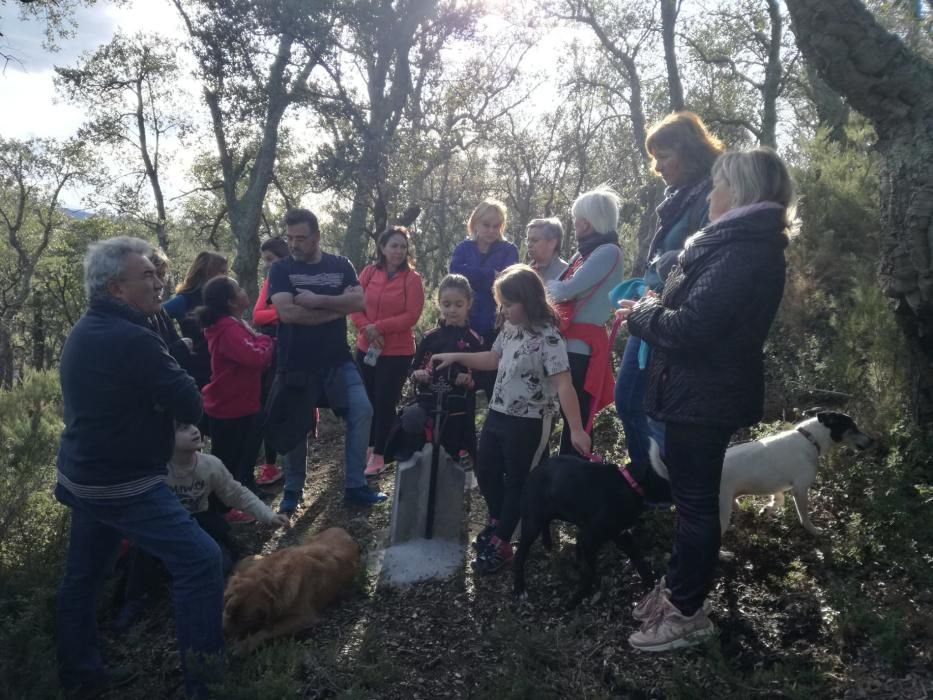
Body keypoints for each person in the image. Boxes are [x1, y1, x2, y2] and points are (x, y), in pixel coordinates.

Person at [618, 148, 793, 651]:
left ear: (737, 191)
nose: (710, 194)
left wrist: (642, 313)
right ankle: (677, 591)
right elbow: (692, 312)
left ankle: (686, 613)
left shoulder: (744, 249)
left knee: (695, 508)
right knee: (690, 505)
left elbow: (692, 327)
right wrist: (652, 307)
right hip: (695, 391)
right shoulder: (734, 242)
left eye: (717, 185)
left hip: (704, 395)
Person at [54, 237, 222, 699]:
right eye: (145, 275)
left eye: (156, 272)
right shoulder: (135, 337)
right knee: (202, 561)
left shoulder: (88, 327)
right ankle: (204, 685)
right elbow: (192, 402)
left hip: (80, 474)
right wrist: (171, 350)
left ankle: (81, 676)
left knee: (83, 578)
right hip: (121, 482)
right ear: (115, 288)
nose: (158, 280)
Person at [433, 264, 592, 574]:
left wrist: (576, 429)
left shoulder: (549, 337)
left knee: (519, 480)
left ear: (529, 300)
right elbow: (493, 359)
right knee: (487, 472)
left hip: (530, 422)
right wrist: (456, 357)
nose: (503, 311)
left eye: (508, 304)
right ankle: (499, 521)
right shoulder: (509, 329)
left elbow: (563, 384)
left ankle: (503, 542)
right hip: (498, 413)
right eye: (500, 304)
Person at [615, 112, 724, 472]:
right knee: (630, 397)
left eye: (663, 156)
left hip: (676, 315)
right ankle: (648, 484)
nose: (657, 167)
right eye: (654, 158)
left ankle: (664, 488)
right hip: (652, 307)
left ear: (690, 152)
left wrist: (671, 260)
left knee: (650, 402)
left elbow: (714, 251)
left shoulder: (712, 194)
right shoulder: (676, 197)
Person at [265, 208, 387, 513]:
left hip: (337, 360)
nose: (294, 244)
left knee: (362, 410)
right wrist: (337, 308)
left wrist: (318, 301)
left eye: (301, 238)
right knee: (295, 423)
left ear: (317, 236)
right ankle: (293, 490)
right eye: (290, 238)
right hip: (295, 362)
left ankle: (355, 486)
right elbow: (288, 313)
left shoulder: (340, 265)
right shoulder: (280, 270)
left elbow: (359, 302)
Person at [116, 422, 289, 631]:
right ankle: (134, 602)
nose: (194, 430)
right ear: (165, 438)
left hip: (200, 520)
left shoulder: (210, 465)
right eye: (183, 429)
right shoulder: (157, 469)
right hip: (165, 524)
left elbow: (236, 492)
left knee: (222, 561)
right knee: (140, 554)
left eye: (193, 426)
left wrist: (268, 515)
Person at [546, 185, 624, 455]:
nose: (575, 222)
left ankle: (571, 475)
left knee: (576, 419)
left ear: (589, 221)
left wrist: (544, 288)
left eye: (579, 217)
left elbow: (564, 288)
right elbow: (558, 285)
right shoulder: (584, 253)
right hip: (565, 341)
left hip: (582, 348)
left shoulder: (608, 252)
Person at [198, 275, 276, 522]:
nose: (244, 291)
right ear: (232, 302)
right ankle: (219, 511)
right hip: (230, 406)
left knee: (237, 457)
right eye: (239, 288)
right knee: (226, 462)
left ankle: (228, 504)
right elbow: (255, 358)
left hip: (239, 403)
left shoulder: (233, 323)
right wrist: (267, 340)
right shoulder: (228, 328)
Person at [350, 226, 425, 476]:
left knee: (385, 402)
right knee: (367, 401)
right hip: (366, 348)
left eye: (403, 247)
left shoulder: (412, 279)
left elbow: (412, 315)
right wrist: (366, 329)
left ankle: (380, 453)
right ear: (382, 248)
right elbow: (354, 303)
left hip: (397, 352)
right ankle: (369, 447)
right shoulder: (369, 273)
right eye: (394, 245)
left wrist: (378, 328)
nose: (398, 251)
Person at [408, 274, 484, 461]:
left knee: (453, 460)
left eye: (459, 305)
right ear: (438, 303)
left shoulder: (475, 340)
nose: (452, 310)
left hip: (460, 409)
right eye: (446, 304)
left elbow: (485, 375)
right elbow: (412, 369)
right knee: (421, 452)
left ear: (469, 303)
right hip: (428, 404)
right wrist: (417, 375)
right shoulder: (430, 337)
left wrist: (469, 379)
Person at [449, 199, 519, 394]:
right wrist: (489, 275)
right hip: (463, 324)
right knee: (462, 382)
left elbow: (506, 283)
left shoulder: (509, 250)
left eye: (496, 226)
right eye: (486, 225)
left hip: (494, 324)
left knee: (492, 383)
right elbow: (455, 275)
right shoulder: (463, 248)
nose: (491, 230)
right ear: (475, 224)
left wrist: (473, 275)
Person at [252, 236, 295, 486]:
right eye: (265, 260)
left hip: (295, 348)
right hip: (272, 349)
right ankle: (270, 464)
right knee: (268, 402)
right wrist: (284, 311)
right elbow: (258, 316)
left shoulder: (298, 279)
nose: (268, 264)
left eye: (271, 259)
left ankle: (292, 465)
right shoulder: (269, 282)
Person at [162, 251, 229, 391]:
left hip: (226, 366)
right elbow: (155, 316)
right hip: (199, 370)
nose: (226, 277)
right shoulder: (184, 300)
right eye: (222, 272)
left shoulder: (226, 298)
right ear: (208, 273)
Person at [146, 247, 195, 363]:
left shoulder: (159, 312)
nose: (160, 284)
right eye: (149, 276)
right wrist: (182, 347)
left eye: (162, 275)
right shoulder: (124, 322)